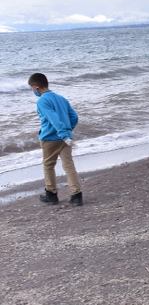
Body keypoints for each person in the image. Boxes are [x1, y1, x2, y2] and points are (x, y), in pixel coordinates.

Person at [28, 73, 82, 206]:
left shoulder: (41, 101)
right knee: (69, 165)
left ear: (35, 87)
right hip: (66, 138)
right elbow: (74, 117)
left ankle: (51, 194)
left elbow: (53, 118)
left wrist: (63, 133)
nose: (33, 91)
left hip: (50, 138)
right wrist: (68, 131)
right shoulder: (61, 98)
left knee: (48, 165)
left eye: (32, 88)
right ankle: (76, 195)